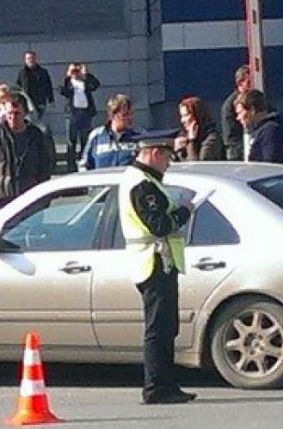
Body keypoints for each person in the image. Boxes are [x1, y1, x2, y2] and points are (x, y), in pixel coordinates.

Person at [120, 134, 196, 406]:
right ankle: (156, 387)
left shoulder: (146, 181)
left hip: (159, 262)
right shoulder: (141, 185)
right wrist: (185, 211)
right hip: (152, 263)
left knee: (166, 326)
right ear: (153, 153)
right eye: (166, 157)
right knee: (158, 328)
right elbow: (160, 226)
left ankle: (167, 384)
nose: (169, 163)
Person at [0, 93, 52, 218]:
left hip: (30, 197)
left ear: (25, 113)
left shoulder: (35, 135)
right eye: (9, 114)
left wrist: (43, 196)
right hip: (4, 198)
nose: (12, 118)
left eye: (17, 113)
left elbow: (45, 167)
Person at [59, 63, 101, 172]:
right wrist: (68, 76)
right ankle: (71, 166)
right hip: (73, 114)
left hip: (85, 113)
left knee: (84, 140)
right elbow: (62, 91)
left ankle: (83, 162)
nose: (76, 73)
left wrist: (86, 74)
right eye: (74, 71)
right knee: (71, 141)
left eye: (77, 71)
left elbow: (96, 85)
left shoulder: (85, 82)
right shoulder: (68, 83)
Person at [81, 94, 140, 170]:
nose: (130, 118)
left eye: (131, 114)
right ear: (112, 115)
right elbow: (84, 165)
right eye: (125, 115)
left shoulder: (139, 136)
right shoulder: (96, 136)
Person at [236, 89, 283, 165]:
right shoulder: (263, 131)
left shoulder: (270, 131)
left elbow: (270, 166)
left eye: (240, 113)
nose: (238, 118)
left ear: (252, 110)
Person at [174, 96, 223, 161]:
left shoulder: (212, 139)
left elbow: (197, 167)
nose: (182, 120)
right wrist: (178, 151)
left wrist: (191, 142)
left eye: (186, 115)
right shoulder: (184, 136)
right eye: (182, 116)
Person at [219, 65, 252, 161]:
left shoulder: (257, 100)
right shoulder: (229, 106)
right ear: (240, 83)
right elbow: (231, 138)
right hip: (238, 155)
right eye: (249, 82)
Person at [14, 50, 54, 118]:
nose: (30, 60)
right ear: (25, 60)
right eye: (28, 58)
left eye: (32, 58)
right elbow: (18, 87)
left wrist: (51, 99)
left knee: (38, 120)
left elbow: (48, 86)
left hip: (39, 101)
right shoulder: (22, 73)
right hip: (26, 102)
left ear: (35, 59)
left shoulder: (43, 72)